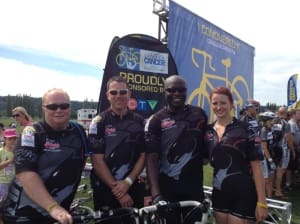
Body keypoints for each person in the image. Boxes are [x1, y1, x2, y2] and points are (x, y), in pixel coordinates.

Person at [1, 88, 87, 224]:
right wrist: (53, 207)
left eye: (64, 106)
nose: (59, 110)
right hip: (23, 214)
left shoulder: (79, 132)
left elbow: (82, 161)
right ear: (44, 109)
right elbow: (25, 173)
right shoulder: (33, 132)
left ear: (70, 108)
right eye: (52, 106)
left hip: (58, 213)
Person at [144, 75, 208, 223]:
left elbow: (207, 147)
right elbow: (151, 158)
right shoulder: (155, 120)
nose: (177, 93)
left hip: (194, 189)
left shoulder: (199, 114)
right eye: (172, 90)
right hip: (167, 190)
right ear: (165, 92)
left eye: (181, 90)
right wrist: (155, 194)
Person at [205, 87, 268, 224]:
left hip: (243, 193)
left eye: (223, 103)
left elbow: (257, 167)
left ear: (231, 104)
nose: (219, 107)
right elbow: (203, 159)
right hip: (219, 192)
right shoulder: (207, 131)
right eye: (215, 103)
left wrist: (262, 201)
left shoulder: (246, 129)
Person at [88, 76, 145, 213]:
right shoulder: (98, 122)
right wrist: (118, 191)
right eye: (114, 92)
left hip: (132, 186)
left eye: (123, 92)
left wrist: (128, 182)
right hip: (105, 188)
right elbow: (97, 161)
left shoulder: (140, 122)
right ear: (107, 95)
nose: (118, 96)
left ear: (129, 94)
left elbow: (143, 155)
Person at [272, 106, 294, 198]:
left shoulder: (272, 121)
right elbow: (288, 139)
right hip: (283, 150)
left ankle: (273, 187)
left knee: (273, 170)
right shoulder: (286, 123)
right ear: (286, 113)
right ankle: (278, 190)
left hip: (272, 149)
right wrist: (293, 150)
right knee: (281, 171)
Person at [0, 129, 18, 224]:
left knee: (8, 202)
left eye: (14, 138)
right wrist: (9, 161)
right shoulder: (1, 151)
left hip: (13, 182)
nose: (12, 141)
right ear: (5, 139)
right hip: (2, 182)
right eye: (10, 139)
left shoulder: (17, 152)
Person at [259, 111, 277, 198]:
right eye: (271, 120)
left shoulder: (270, 129)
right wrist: (270, 160)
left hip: (270, 155)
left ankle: (269, 197)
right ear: (266, 121)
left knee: (271, 178)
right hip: (264, 157)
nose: (273, 122)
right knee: (265, 179)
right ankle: (261, 197)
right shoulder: (264, 130)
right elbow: (264, 147)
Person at [286, 108, 300, 191]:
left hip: (295, 148)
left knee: (293, 166)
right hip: (292, 148)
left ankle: (293, 182)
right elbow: (290, 138)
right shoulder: (291, 124)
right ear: (293, 114)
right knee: (289, 167)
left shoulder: (295, 124)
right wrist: (293, 150)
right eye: (298, 113)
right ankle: (288, 184)